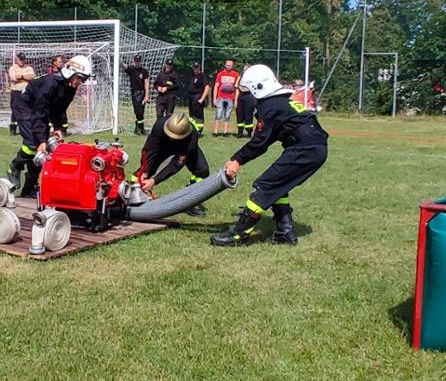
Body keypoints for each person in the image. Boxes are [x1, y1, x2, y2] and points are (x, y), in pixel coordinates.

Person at [214, 64, 328, 246]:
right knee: (278, 185)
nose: (248, 96)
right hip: (313, 147)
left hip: (305, 149)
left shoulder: (270, 106)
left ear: (257, 87)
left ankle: (238, 235)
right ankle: (285, 233)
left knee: (264, 186)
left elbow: (260, 143)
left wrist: (237, 160)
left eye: (248, 90)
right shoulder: (281, 102)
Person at [9, 54, 93, 198]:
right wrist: (41, 140)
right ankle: (15, 167)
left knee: (44, 150)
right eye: (80, 78)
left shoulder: (70, 88)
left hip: (38, 109)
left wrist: (59, 128)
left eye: (84, 80)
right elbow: (39, 112)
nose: (81, 82)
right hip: (25, 106)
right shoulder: (50, 83)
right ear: (71, 72)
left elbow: (59, 109)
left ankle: (29, 187)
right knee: (33, 144)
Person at [132, 108, 211, 217]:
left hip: (183, 147)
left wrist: (154, 181)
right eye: (170, 135)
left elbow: (176, 164)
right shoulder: (160, 125)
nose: (172, 138)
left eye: (175, 136)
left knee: (202, 171)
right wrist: (145, 170)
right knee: (145, 171)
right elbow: (149, 150)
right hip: (163, 146)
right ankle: (131, 195)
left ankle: (190, 201)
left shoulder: (192, 137)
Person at [6, 54, 35, 135]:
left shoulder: (29, 68)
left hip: (27, 92)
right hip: (16, 92)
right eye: (20, 59)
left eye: (23, 59)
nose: (22, 61)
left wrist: (21, 76)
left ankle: (28, 128)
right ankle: (13, 129)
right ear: (17, 60)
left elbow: (32, 77)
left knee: (28, 110)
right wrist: (25, 78)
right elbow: (14, 79)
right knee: (15, 111)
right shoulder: (13, 68)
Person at [212, 59, 240, 136]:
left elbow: (237, 88)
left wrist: (236, 100)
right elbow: (216, 86)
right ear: (225, 65)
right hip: (221, 97)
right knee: (218, 114)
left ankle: (225, 131)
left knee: (227, 115)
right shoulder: (221, 74)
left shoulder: (236, 74)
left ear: (232, 66)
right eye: (227, 65)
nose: (228, 67)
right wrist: (214, 98)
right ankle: (215, 131)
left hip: (230, 97)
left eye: (230, 65)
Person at [123, 55, 150, 135]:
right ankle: (140, 127)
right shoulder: (131, 69)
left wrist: (147, 95)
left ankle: (140, 128)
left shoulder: (144, 71)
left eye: (138, 61)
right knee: (137, 112)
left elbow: (146, 83)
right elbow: (124, 67)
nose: (137, 63)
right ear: (134, 61)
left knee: (141, 111)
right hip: (134, 93)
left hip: (142, 93)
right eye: (136, 61)